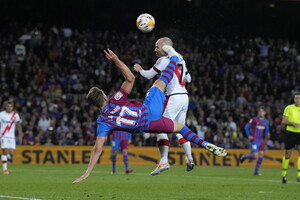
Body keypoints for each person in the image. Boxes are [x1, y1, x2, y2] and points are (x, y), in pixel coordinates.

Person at [72, 46, 227, 184]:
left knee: (180, 128)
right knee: (160, 82)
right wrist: (117, 61)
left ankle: (199, 146)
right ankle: (174, 57)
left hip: (149, 126)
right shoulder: (115, 100)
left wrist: (87, 172)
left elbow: (97, 148)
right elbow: (131, 79)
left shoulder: (102, 122)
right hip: (148, 110)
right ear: (104, 97)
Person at [133, 37, 194, 175]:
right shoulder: (181, 59)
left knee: (160, 127)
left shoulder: (163, 60)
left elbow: (149, 75)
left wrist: (139, 69)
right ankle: (189, 158)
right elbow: (189, 79)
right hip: (185, 96)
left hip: (173, 96)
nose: (155, 49)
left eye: (157, 47)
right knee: (179, 129)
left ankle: (164, 161)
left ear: (166, 48)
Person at [239, 107, 270, 176]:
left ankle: (256, 172)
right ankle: (244, 157)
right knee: (256, 156)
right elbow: (246, 127)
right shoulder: (254, 120)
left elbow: (267, 129)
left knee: (261, 155)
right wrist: (248, 135)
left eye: (262, 111)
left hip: (261, 140)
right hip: (254, 140)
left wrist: (268, 134)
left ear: (265, 113)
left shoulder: (266, 121)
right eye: (259, 111)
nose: (260, 113)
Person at [280, 92, 300, 184]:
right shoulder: (288, 108)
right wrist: (293, 123)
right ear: (294, 99)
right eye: (296, 98)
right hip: (290, 133)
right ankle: (284, 174)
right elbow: (283, 121)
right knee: (288, 154)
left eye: (299, 98)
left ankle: (299, 175)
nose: (297, 100)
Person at [0, 101, 23, 175]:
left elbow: (19, 125)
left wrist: (20, 135)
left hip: (11, 136)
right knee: (5, 151)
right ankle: (5, 169)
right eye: (8, 106)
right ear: (5, 107)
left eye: (11, 106)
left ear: (13, 107)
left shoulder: (15, 115)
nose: (9, 108)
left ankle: (6, 156)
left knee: (12, 153)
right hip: (3, 135)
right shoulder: (1, 114)